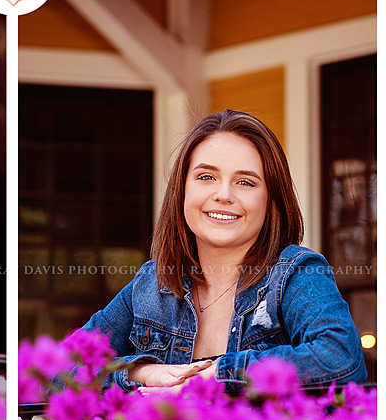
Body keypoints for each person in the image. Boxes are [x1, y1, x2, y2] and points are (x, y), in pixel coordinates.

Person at [80, 110, 366, 392]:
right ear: (182, 190)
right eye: (206, 177)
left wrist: (214, 375)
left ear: (271, 200)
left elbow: (341, 358)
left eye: (245, 182)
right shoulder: (153, 285)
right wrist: (140, 371)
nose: (223, 195)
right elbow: (55, 371)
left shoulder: (294, 275)